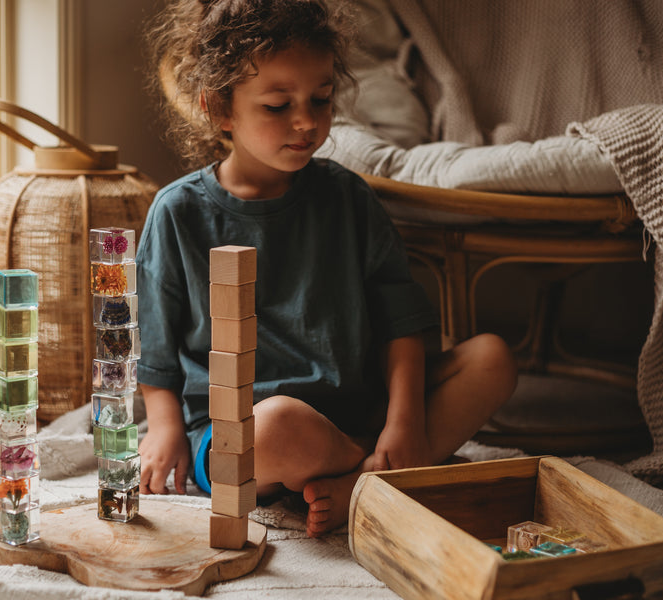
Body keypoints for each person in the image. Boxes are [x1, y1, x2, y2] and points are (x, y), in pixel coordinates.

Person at [137, 0, 517, 537]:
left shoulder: (349, 198)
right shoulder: (177, 213)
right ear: (219, 108)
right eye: (277, 105)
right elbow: (153, 344)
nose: (307, 121)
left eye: (322, 98)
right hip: (245, 435)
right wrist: (164, 426)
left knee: (492, 359)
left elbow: (401, 323)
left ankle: (371, 472)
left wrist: (403, 421)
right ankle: (379, 476)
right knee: (277, 427)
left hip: (361, 410)